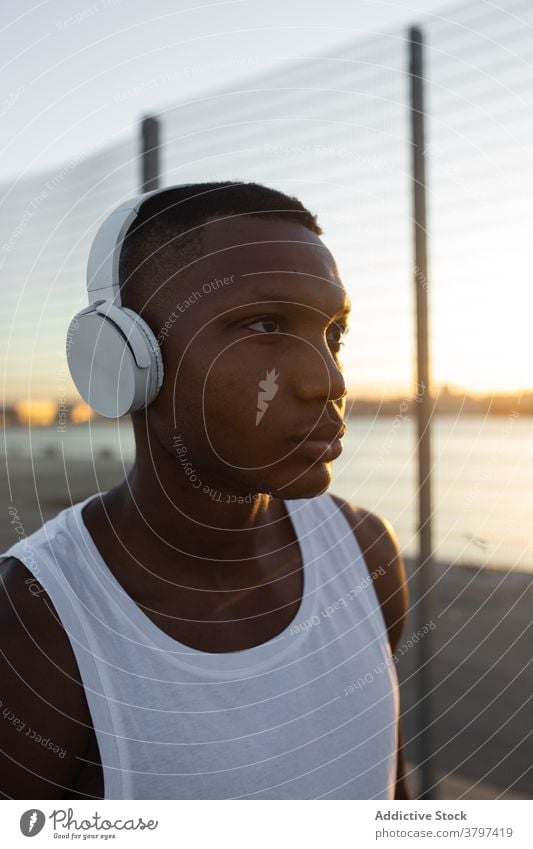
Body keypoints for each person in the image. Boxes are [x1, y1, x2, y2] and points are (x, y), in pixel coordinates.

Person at [0, 181, 410, 800]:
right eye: (265, 324)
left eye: (334, 335)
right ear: (124, 359)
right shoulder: (35, 626)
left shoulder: (366, 552)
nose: (328, 379)